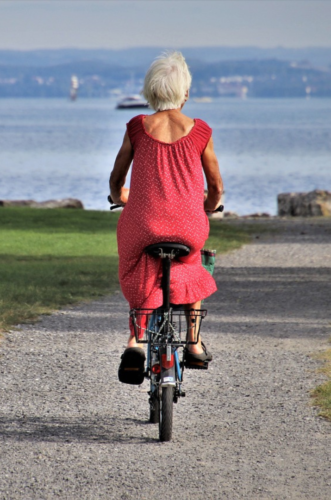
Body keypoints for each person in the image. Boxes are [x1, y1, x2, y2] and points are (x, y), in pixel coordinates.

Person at [109, 51, 223, 383]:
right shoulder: (200, 131)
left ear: (150, 91)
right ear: (184, 92)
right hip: (188, 227)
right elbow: (215, 186)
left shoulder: (137, 127)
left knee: (140, 262)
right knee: (191, 264)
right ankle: (194, 341)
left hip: (143, 225)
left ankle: (136, 342)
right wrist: (210, 205)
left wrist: (121, 198)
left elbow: (117, 181)